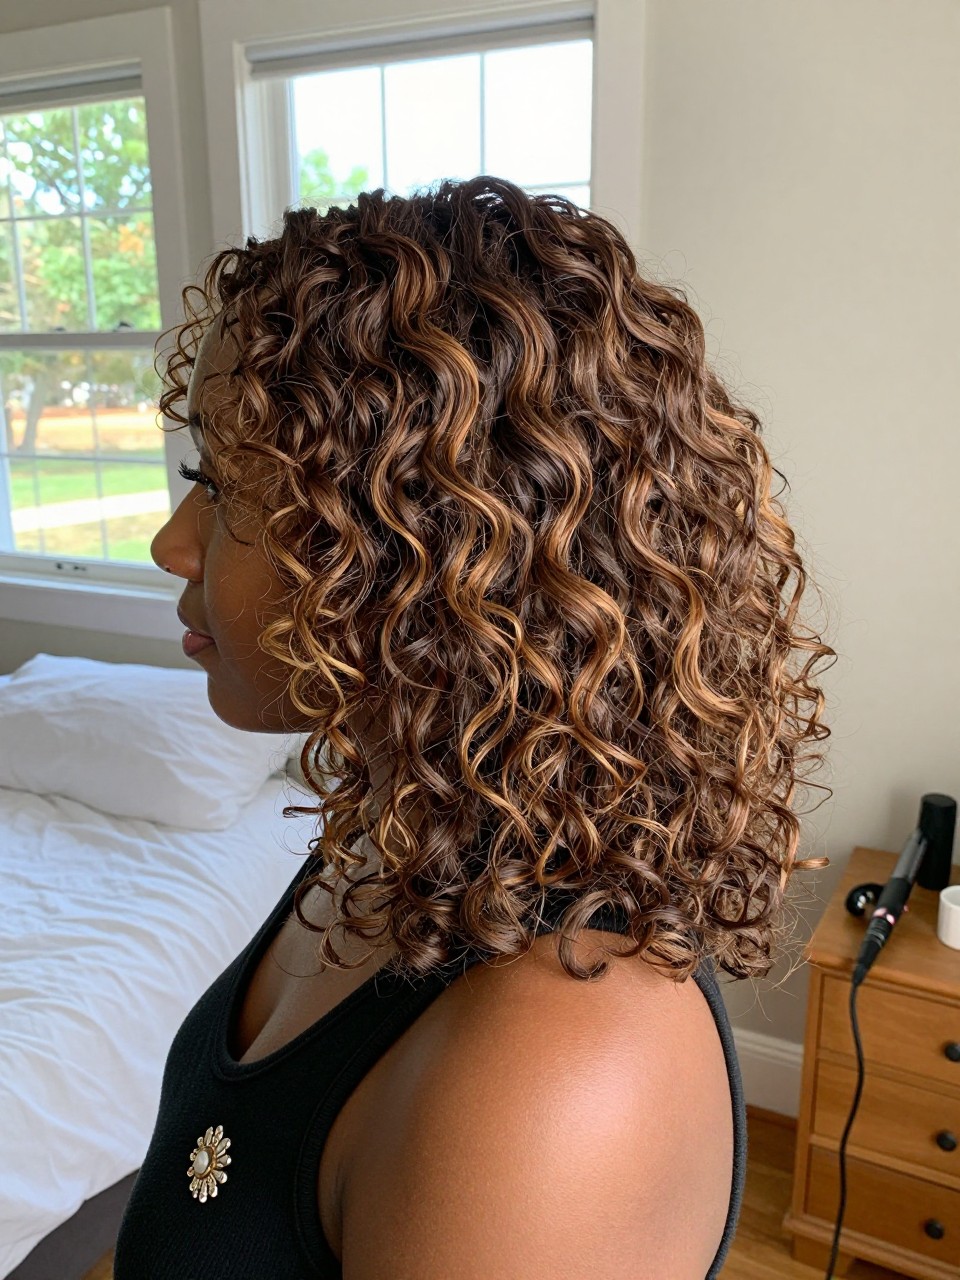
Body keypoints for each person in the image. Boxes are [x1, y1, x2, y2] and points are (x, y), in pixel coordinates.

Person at [114, 175, 834, 1278]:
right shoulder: (398, 832)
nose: (172, 541)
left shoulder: (555, 1063)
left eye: (224, 483)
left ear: (430, 553)